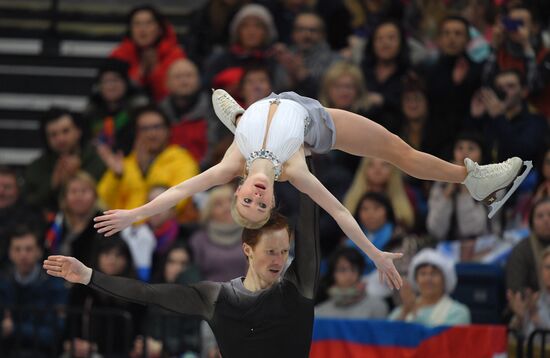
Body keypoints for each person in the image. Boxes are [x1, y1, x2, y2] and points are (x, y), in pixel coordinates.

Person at [94, 89, 529, 289]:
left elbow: (180, 189)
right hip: (317, 122)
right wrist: (373, 254)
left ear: (240, 186)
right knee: (400, 153)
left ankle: (243, 115)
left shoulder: (232, 163)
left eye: (247, 199)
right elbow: (341, 212)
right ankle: (474, 180)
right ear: (271, 200)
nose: (257, 196)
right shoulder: (293, 170)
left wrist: (134, 214)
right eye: (261, 205)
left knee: (246, 127)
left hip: (273, 104)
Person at [46, 187, 321, 358]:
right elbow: (148, 293)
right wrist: (88, 276)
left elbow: (309, 230)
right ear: (247, 249)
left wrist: (303, 166)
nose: (279, 260)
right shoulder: (217, 297)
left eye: (284, 252)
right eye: (271, 252)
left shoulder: (298, 287)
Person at [0, 225, 67, 357]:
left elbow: (54, 334)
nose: (23, 255)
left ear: (39, 252)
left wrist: (15, 329)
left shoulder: (54, 286)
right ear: (10, 253)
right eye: (17, 249)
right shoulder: (3, 283)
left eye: (29, 249)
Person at [110, 5, 186, 101]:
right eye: (137, 24)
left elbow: (173, 95)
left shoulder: (175, 55)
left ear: (160, 29)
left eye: (149, 23)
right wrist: (140, 72)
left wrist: (154, 70)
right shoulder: (120, 55)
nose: (142, 29)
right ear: (130, 29)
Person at [389, 248, 471, 326]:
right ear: (416, 280)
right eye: (423, 274)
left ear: (445, 280)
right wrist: (405, 313)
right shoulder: (400, 311)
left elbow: (440, 337)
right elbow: (387, 336)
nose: (428, 279)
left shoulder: (458, 312)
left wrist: (414, 311)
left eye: (434, 273)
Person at [315, 246, 388, 319]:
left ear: (360, 273)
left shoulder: (377, 306)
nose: (348, 275)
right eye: (342, 269)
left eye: (353, 269)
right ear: (332, 274)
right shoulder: (319, 313)